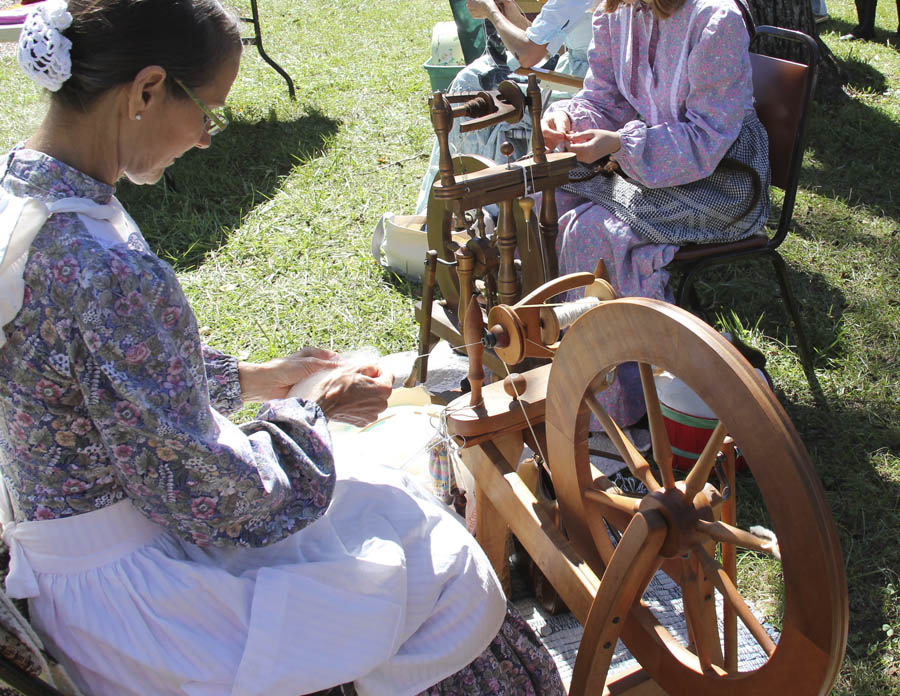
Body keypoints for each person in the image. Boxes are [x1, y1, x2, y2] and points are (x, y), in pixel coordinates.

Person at [0, 2, 566, 695]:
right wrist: (317, 417)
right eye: (209, 112)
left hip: (67, 565)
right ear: (148, 90)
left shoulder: (25, 195)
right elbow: (209, 491)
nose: (208, 138)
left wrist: (266, 379)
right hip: (136, 605)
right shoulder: (103, 267)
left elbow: (116, 373)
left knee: (380, 511)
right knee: (427, 560)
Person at [539, 0, 770, 425]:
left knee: (594, 231)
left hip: (720, 179)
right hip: (650, 159)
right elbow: (603, 96)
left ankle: (631, 404)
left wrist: (620, 145)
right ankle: (568, 361)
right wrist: (568, 117)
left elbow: (708, 135)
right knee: (550, 197)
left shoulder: (716, 21)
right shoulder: (617, 9)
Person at [414, 0, 597, 215]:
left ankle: (448, 210)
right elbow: (545, 44)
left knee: (469, 83)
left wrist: (492, 12)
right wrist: (510, 13)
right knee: (473, 77)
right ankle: (453, 205)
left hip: (583, 90)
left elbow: (528, 54)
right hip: (576, 78)